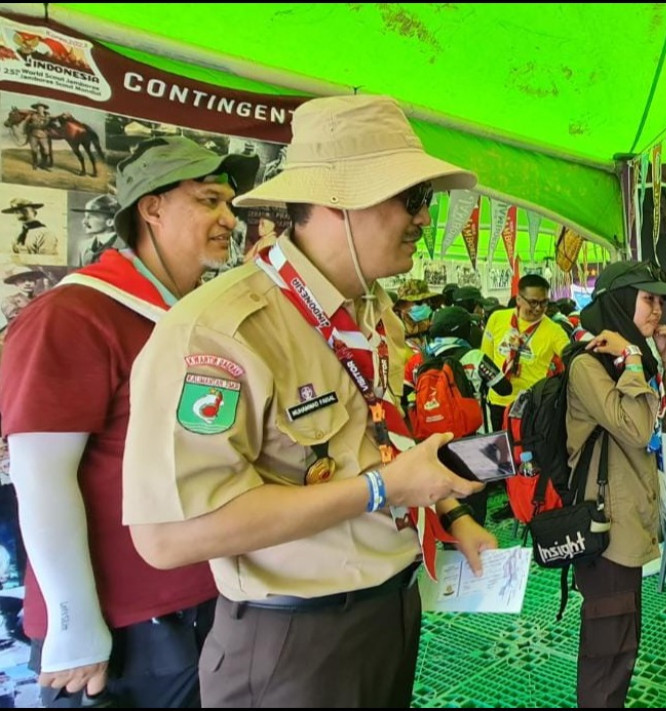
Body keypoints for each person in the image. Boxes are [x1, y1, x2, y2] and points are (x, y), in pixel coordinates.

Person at [120, 94, 496, 708]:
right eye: (412, 199)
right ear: (337, 202)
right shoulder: (219, 332)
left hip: (391, 611)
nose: (425, 219)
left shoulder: (376, 316)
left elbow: (375, 443)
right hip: (294, 645)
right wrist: (383, 491)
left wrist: (452, 512)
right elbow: (167, 537)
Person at [0, 135, 261, 707]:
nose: (227, 218)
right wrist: (74, 621)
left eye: (229, 204)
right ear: (152, 207)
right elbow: (41, 477)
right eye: (209, 200)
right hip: (128, 628)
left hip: (206, 602)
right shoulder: (74, 315)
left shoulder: (189, 318)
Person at [565, 261, 666, 707]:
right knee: (608, 647)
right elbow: (639, 430)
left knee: (623, 639)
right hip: (604, 527)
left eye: (660, 301)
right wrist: (638, 359)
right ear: (621, 304)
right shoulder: (589, 366)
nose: (657, 310)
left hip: (629, 521)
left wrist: (664, 361)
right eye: (648, 299)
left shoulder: (629, 360)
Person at [482, 273, 570, 429]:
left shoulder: (555, 331)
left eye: (544, 303)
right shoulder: (497, 318)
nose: (538, 308)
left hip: (530, 405)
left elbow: (571, 358)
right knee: (502, 451)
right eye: (533, 302)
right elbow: (486, 356)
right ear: (519, 299)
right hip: (498, 401)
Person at [70, 194, 122, 267]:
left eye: (90, 217)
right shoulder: (84, 247)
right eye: (85, 216)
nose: (84, 222)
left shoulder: (124, 248)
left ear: (110, 222)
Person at [22, 103, 53, 171]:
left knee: (46, 150)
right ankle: (35, 163)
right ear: (36, 109)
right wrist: (25, 130)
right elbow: (26, 122)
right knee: (34, 150)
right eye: (38, 108)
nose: (40, 109)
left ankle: (43, 165)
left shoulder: (47, 116)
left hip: (43, 135)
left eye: (41, 108)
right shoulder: (32, 115)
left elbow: (53, 120)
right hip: (33, 135)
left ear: (44, 109)